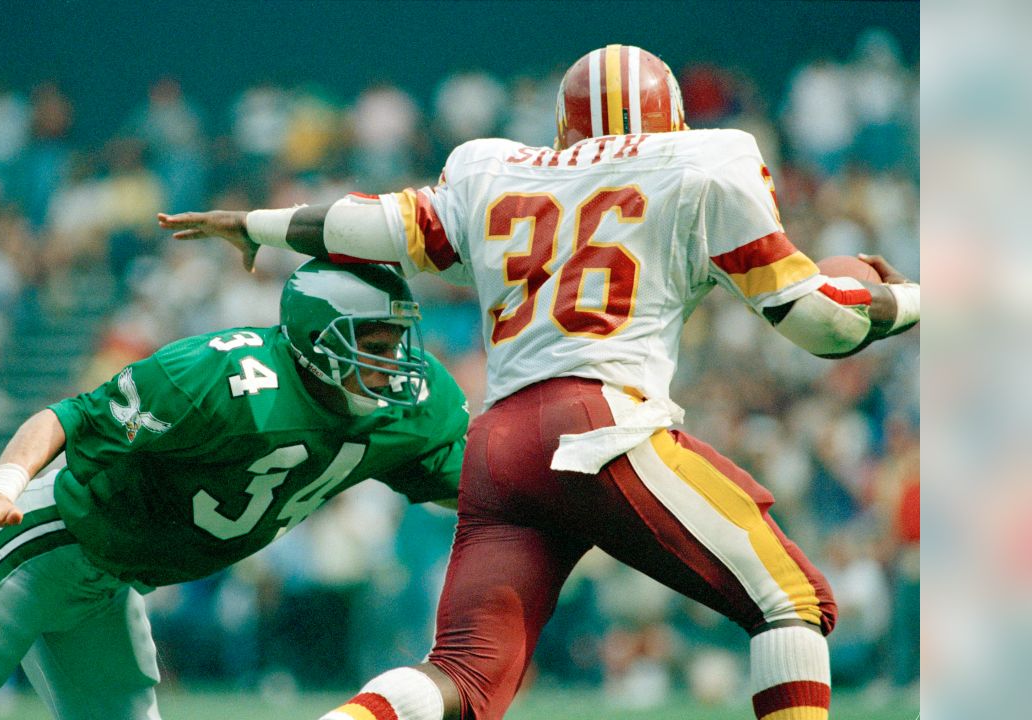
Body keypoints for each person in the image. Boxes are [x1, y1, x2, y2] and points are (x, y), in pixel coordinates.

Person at [159, 43, 920, 720]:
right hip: (602, 427)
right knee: (790, 602)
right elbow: (819, 323)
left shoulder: (495, 170)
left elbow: (373, 224)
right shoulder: (703, 164)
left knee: (462, 676)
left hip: (500, 450)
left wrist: (254, 222)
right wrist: (912, 301)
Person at [0, 259, 470, 720]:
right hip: (42, 542)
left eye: (396, 345)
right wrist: (0, 488)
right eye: (374, 345)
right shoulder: (220, 379)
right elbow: (69, 417)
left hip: (110, 582)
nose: (395, 364)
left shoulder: (400, 412)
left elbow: (466, 485)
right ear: (317, 339)